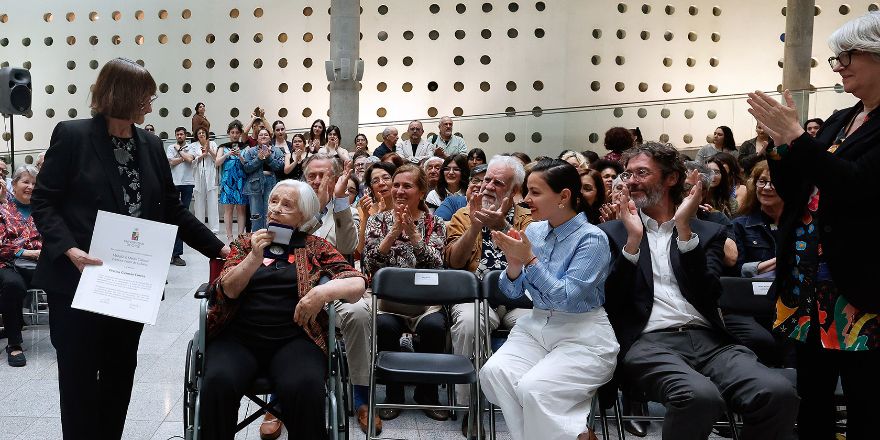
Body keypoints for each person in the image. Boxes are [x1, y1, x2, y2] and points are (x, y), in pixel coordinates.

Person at [31, 58, 229, 440]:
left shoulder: (151, 145)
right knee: (78, 381)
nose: (151, 104)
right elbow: (44, 201)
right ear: (121, 94)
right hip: (79, 280)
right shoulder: (71, 136)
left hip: (131, 284)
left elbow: (172, 209)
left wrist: (219, 249)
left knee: (121, 375)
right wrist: (69, 248)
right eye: (146, 96)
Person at [598, 142, 799, 440]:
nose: (632, 181)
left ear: (671, 179)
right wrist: (632, 241)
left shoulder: (707, 233)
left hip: (710, 340)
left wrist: (684, 230)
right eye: (628, 174)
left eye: (641, 172)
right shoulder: (610, 233)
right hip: (646, 341)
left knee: (778, 392)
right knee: (699, 397)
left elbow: (708, 293)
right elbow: (611, 301)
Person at [746, 12, 880, 438]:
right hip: (807, 286)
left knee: (866, 399)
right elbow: (797, 186)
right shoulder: (843, 117)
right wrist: (781, 147)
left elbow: (855, 186)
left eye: (845, 55)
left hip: (858, 288)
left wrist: (798, 139)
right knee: (813, 396)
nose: (838, 66)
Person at [200, 179, 367, 440]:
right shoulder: (245, 243)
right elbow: (228, 289)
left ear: (303, 214)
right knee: (217, 382)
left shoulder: (315, 246)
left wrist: (322, 292)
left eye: (286, 204)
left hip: (296, 338)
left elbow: (357, 282)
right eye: (273, 201)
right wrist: (254, 258)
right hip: (238, 338)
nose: (276, 209)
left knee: (305, 386)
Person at [479, 159, 618, 440]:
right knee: (495, 372)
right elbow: (514, 293)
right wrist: (514, 266)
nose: (527, 200)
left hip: (582, 333)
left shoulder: (593, 239)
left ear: (564, 196)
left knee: (534, 389)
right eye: (527, 191)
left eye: (535, 192)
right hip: (537, 325)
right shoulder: (534, 231)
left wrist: (528, 259)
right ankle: (578, 434)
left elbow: (566, 298)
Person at [444, 155, 531, 435]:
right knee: (470, 323)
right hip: (476, 299)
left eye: (498, 182)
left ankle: (527, 403)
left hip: (520, 299)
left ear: (515, 189)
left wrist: (502, 225)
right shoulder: (462, 214)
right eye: (486, 180)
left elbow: (534, 257)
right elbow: (454, 262)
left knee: (536, 326)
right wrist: (475, 226)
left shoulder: (529, 218)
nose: (488, 187)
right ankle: (472, 408)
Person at [362, 164, 448, 422]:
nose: (398, 190)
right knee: (385, 326)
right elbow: (370, 265)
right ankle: (394, 393)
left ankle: (427, 394)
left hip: (426, 303)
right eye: (396, 184)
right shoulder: (378, 220)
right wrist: (393, 232)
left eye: (407, 186)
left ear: (421, 191)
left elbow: (437, 266)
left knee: (435, 328)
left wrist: (412, 234)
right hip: (389, 301)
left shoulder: (436, 222)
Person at [0, 165, 42, 367]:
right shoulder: (3, 209)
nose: (30, 187)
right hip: (8, 263)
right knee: (13, 286)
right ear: (13, 184)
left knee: (63, 282)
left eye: (34, 183)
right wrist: (25, 252)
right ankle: (14, 344)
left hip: (39, 264)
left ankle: (66, 339)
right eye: (25, 182)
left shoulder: (43, 210)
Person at [242, 127, 285, 232]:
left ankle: (269, 239)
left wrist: (269, 157)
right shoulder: (251, 151)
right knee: (255, 214)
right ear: (257, 138)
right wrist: (259, 159)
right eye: (261, 135)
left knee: (270, 212)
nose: (263, 136)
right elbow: (247, 168)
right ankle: (256, 238)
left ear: (270, 138)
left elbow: (279, 167)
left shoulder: (277, 151)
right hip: (254, 184)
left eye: (266, 134)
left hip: (272, 183)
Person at [167, 126, 200, 266]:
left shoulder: (191, 147)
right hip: (174, 184)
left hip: (187, 184)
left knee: (182, 218)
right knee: (171, 218)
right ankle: (169, 253)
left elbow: (190, 159)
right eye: (177, 134)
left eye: (182, 134)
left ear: (185, 135)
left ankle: (177, 254)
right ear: (175, 136)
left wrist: (179, 152)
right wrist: (182, 157)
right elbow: (171, 162)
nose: (180, 136)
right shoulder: (170, 147)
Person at [355, 162, 396, 260]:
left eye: (386, 178)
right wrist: (366, 217)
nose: (381, 183)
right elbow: (360, 250)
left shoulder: (405, 209)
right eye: (375, 181)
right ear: (371, 188)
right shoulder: (363, 210)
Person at [216, 120, 248, 241]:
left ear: (240, 134)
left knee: (241, 210)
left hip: (241, 182)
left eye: (237, 132)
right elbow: (217, 162)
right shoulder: (223, 147)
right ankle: (229, 238)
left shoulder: (245, 147)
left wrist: (240, 155)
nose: (234, 135)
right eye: (232, 132)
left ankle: (240, 237)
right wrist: (227, 154)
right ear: (228, 133)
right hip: (227, 183)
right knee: (228, 210)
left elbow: (248, 163)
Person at [192, 127, 220, 234]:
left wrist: (209, 150)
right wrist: (202, 155)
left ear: (206, 134)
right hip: (198, 175)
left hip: (211, 174)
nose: (201, 134)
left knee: (213, 201)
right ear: (197, 135)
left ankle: (214, 228)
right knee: (198, 202)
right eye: (199, 133)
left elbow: (216, 158)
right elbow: (192, 161)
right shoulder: (193, 146)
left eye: (203, 132)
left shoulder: (213, 144)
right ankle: (200, 227)